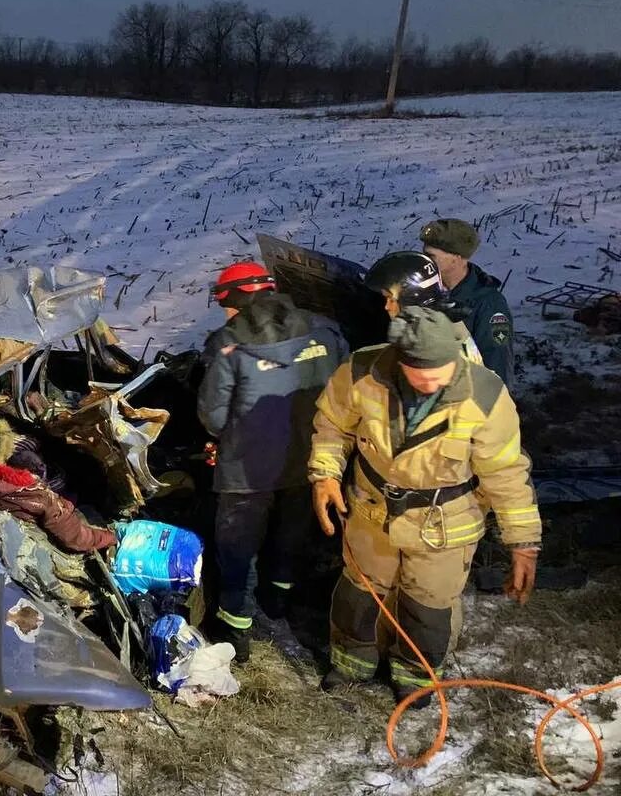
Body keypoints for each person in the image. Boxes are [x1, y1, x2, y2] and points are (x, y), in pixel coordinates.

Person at [310, 306, 540, 707]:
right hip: (372, 512)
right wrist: (325, 475)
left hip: (446, 525)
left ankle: (414, 675)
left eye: (442, 374)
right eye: (423, 376)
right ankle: (352, 664)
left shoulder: (484, 395)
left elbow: (506, 472)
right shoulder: (362, 372)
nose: (434, 384)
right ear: (401, 361)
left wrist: (523, 544)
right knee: (361, 593)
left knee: (428, 606)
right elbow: (333, 426)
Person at [197, 261, 347, 661]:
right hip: (310, 461)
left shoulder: (229, 344)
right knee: (290, 536)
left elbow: (212, 416)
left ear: (236, 300)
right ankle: (277, 602)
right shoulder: (324, 330)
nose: (224, 314)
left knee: (237, 549)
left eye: (224, 304)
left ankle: (236, 630)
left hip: (246, 471)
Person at [420, 218, 514, 384]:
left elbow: (496, 361)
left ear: (456, 258)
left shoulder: (488, 303)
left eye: (431, 256)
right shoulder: (424, 291)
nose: (424, 262)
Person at [364, 251, 484, 367]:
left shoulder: (431, 343)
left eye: (390, 299)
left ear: (411, 299)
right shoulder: (439, 324)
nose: (386, 307)